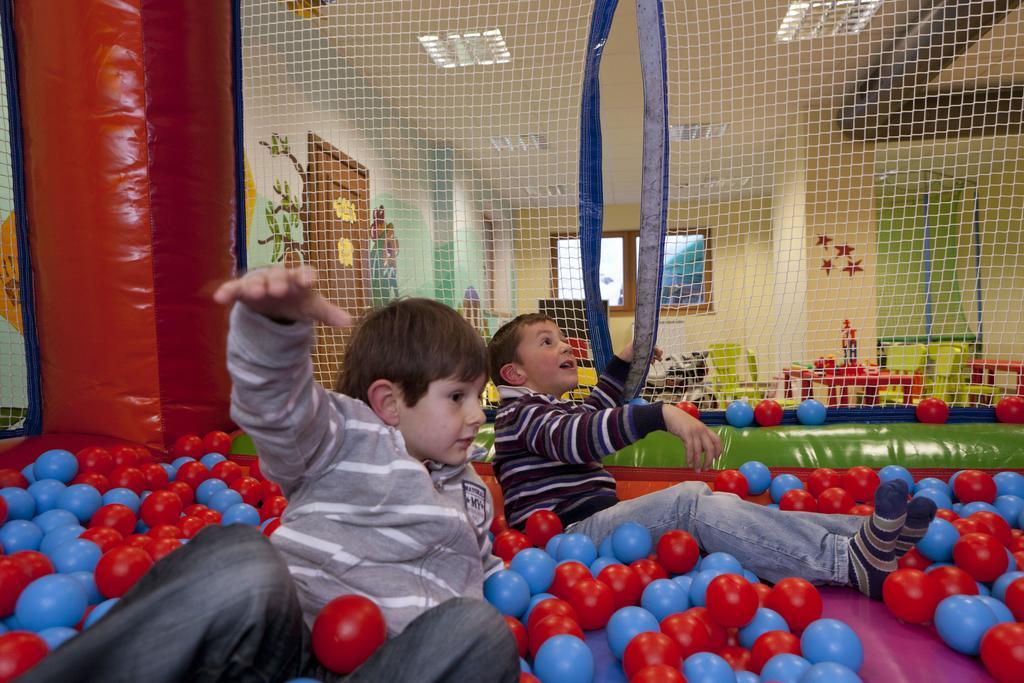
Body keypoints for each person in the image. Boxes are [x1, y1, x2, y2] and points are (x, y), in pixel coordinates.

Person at [20, 266, 517, 683]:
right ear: (388, 402)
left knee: (479, 630)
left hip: (395, 663)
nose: (477, 415)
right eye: (457, 397)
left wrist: (502, 583)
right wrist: (275, 332)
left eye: (480, 396)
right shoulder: (341, 438)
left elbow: (481, 563)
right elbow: (279, 409)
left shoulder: (469, 486)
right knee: (240, 554)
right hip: (285, 635)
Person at [487, 313, 937, 599]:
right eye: (547, 342)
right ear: (515, 373)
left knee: (709, 502)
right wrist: (660, 413)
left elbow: (596, 408)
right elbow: (577, 437)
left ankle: (869, 535)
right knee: (688, 500)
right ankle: (845, 563)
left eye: (563, 338)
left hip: (596, 530)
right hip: (566, 541)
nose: (566, 346)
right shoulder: (518, 414)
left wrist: (624, 362)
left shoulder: (548, 408)